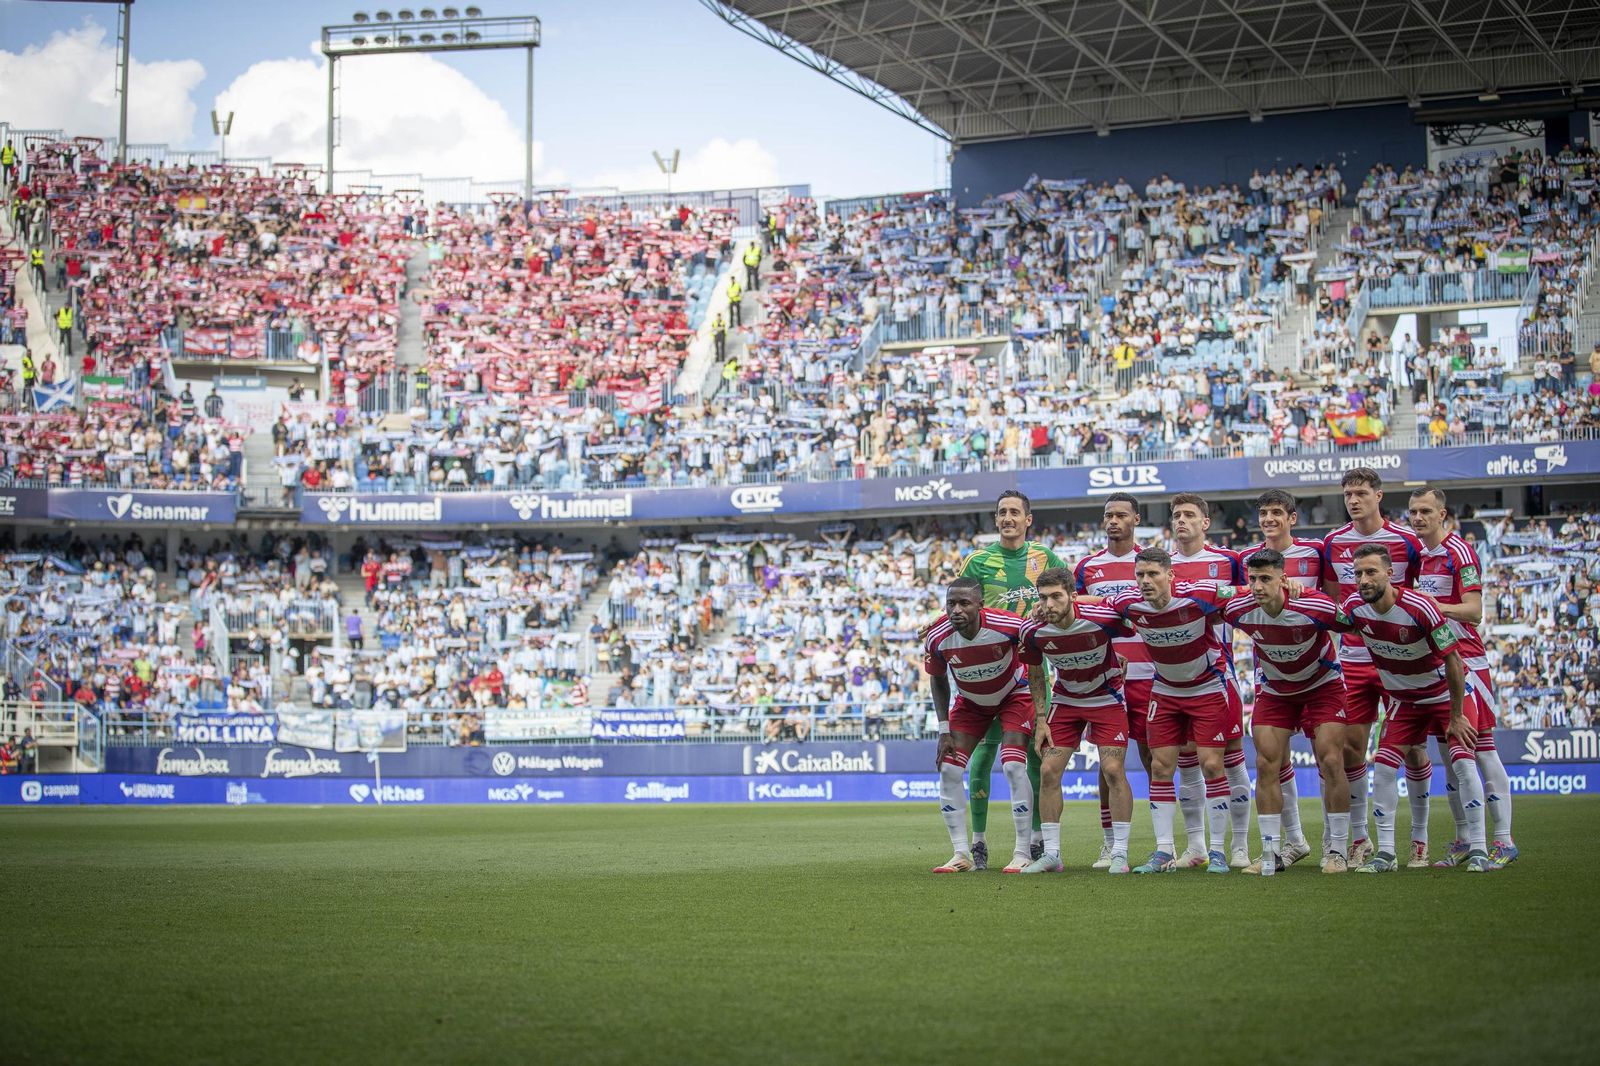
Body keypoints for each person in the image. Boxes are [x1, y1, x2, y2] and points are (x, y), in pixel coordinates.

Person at [1340, 544, 1490, 873]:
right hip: (1405, 702)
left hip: (1444, 694)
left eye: (1370, 572)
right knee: (1382, 768)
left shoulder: (1419, 606)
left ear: (1390, 574)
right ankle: (1387, 854)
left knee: (1463, 764)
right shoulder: (1354, 607)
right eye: (1358, 574)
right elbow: (1327, 617)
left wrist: (1455, 715)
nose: (1363, 580)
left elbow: (1453, 659)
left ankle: (1479, 847)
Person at [1094, 548, 1241, 874]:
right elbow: (1093, 607)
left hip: (1206, 688)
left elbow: (1246, 593)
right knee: (1160, 767)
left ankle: (1217, 851)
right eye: (1140, 575)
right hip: (1165, 691)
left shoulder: (1200, 594)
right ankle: (1164, 852)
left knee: (1212, 765)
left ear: (1170, 575)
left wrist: (1291, 587)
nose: (1145, 581)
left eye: (1153, 574)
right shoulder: (1128, 603)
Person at [1215, 549, 1351, 873]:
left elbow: (1354, 623)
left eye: (1266, 579)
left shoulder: (1314, 604)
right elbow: (1207, 600)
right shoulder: (1238, 609)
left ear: (1283, 578)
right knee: (1265, 763)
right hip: (1277, 690)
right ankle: (1272, 852)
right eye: (1253, 579)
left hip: (1323, 686)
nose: (1258, 586)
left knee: (1331, 759)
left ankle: (1339, 850)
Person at [1407, 487, 1518, 868]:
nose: (1418, 518)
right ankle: (1463, 838)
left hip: (1467, 661)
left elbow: (1474, 611)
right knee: (1449, 755)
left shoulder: (1460, 551)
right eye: (1413, 512)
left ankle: (1502, 839)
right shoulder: (1417, 557)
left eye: (1425, 511)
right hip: (1435, 664)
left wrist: (1432, 606)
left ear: (1442, 515)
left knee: (1481, 750)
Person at [955, 491, 1064, 866]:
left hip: (1033, 671)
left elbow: (1068, 599)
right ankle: (979, 842)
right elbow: (959, 608)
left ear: (1028, 519)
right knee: (983, 757)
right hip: (989, 673)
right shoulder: (978, 561)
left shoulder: (1044, 558)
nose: (1008, 518)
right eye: (1002, 512)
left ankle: (1036, 840)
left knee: (1035, 756)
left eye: (1015, 512)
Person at [1320, 467, 1423, 867]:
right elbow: (1334, 602)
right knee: (1351, 749)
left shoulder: (1406, 541)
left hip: (1401, 658)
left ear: (1379, 495)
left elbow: (1415, 597)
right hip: (1354, 659)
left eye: (1361, 492)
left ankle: (1418, 839)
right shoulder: (1334, 542)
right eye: (1347, 493)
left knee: (1411, 748)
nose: (1353, 500)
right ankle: (1359, 838)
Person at [1019, 568, 1134, 874]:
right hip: (1066, 701)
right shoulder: (1033, 631)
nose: (1048, 605)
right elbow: (1034, 672)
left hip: (1106, 697)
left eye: (1056, 596)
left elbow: (1129, 612)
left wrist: (1119, 653)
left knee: (1112, 769)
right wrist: (1041, 719)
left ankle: (1120, 852)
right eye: (1042, 598)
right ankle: (1052, 854)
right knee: (1047, 770)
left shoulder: (1100, 617)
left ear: (1072, 596)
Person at [924, 577, 1039, 874]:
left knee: (1014, 767)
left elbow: (1038, 644)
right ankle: (961, 853)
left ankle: (1022, 852)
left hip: (1014, 695)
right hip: (970, 704)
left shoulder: (1007, 625)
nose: (956, 610)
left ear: (980, 605)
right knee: (949, 768)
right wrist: (943, 729)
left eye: (964, 603)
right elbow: (937, 679)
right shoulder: (938, 637)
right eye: (951, 603)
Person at [1238, 488, 1329, 860]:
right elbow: (1238, 601)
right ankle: (1292, 840)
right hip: (1270, 671)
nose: (1269, 519)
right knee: (1274, 759)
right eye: (1264, 513)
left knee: (1331, 757)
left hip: (1318, 669)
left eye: (1277, 512)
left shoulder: (1316, 552)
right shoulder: (1246, 558)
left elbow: (1332, 602)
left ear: (1292, 518)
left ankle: (1339, 843)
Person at [1167, 492, 1250, 867]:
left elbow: (1250, 596)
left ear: (1205, 523)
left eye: (1188, 515)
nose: (1181, 520)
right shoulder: (1160, 566)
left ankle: (1239, 846)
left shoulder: (1228, 561)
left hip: (1218, 673)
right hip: (1173, 678)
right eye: (1176, 515)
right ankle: (1197, 847)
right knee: (1186, 761)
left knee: (1228, 762)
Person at [1073, 492, 1153, 868]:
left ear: (1135, 519)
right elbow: (1077, 620)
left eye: (1121, 514)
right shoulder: (1088, 568)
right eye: (1108, 515)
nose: (1113, 521)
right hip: (1107, 681)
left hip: (1152, 675)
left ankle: (1168, 842)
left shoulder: (1151, 563)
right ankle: (1110, 844)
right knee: (1108, 765)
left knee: (1159, 760)